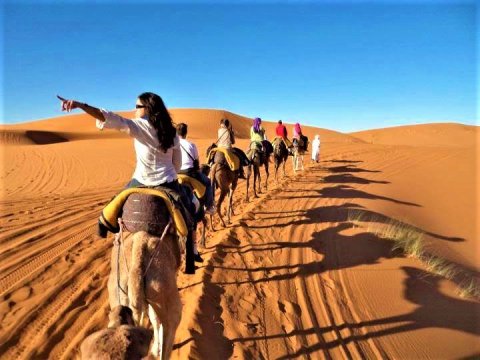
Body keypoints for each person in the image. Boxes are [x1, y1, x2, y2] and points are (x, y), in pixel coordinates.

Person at [57, 92, 197, 273]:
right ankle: (190, 254)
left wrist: (81, 105)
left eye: (137, 106)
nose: (134, 109)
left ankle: (103, 225)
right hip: (167, 182)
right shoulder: (171, 132)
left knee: (115, 203)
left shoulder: (140, 126)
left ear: (147, 109)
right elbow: (176, 165)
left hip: (139, 182)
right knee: (189, 209)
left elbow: (112, 119)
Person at [176, 122, 215, 215]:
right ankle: (209, 206)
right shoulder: (191, 145)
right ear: (186, 133)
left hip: (176, 173)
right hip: (189, 173)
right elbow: (196, 160)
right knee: (208, 182)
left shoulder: (173, 145)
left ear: (177, 133)